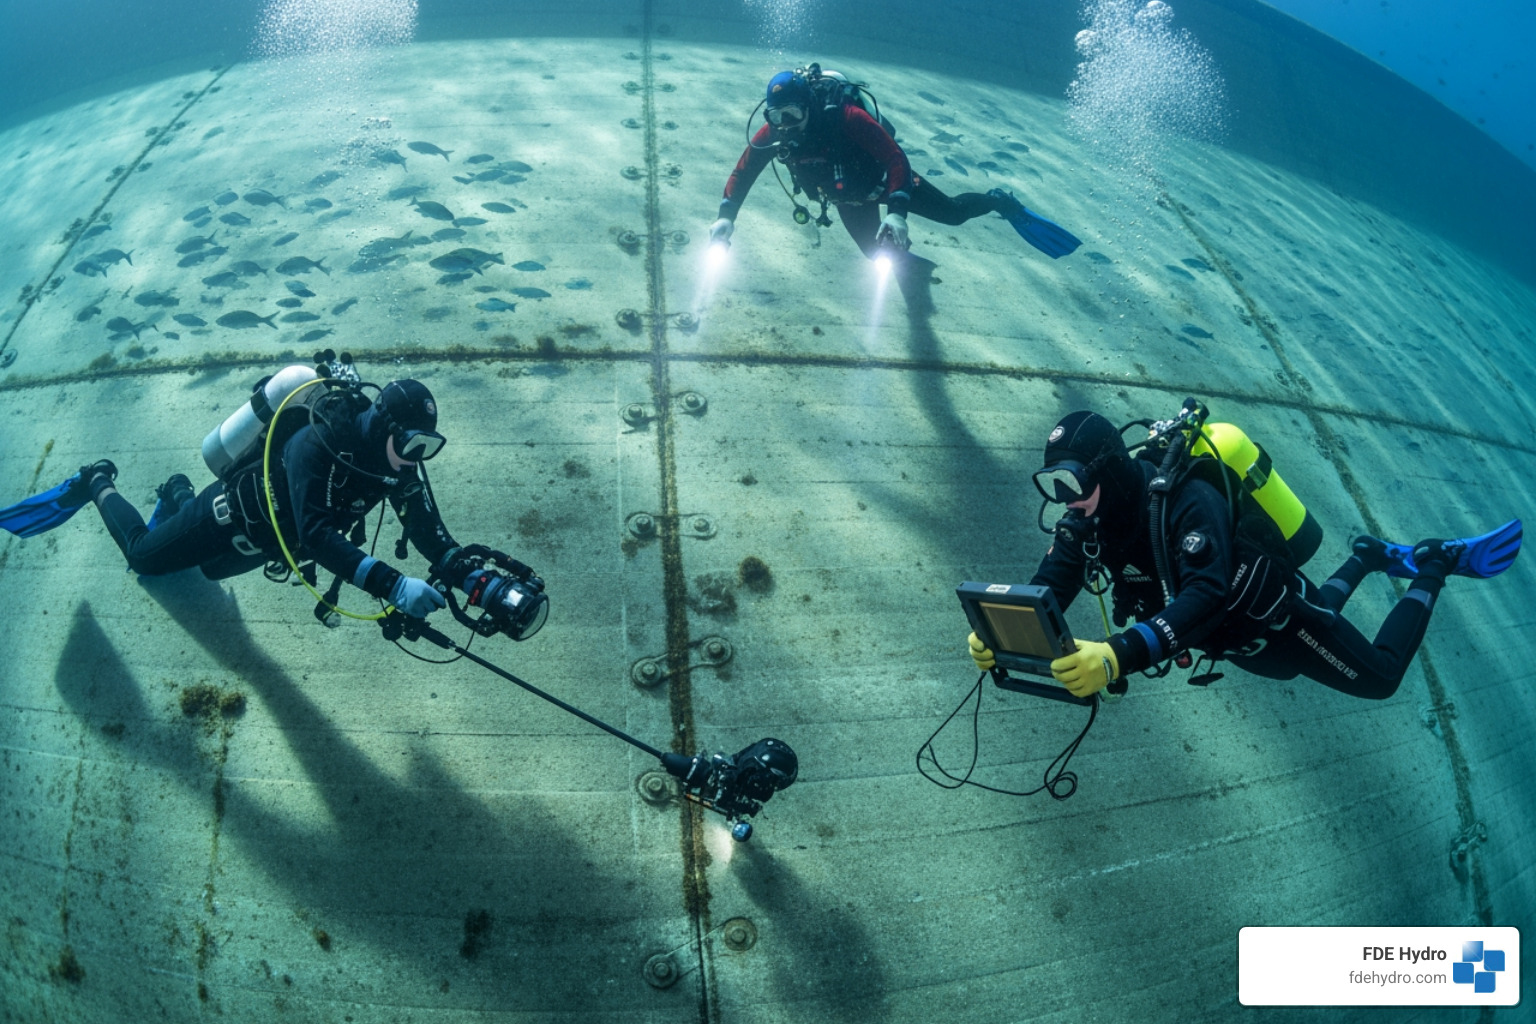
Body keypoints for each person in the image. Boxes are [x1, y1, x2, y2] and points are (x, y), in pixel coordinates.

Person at [967, 409, 1522, 699]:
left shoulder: (1185, 500)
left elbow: (1207, 592)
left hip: (1280, 618)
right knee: (1295, 661)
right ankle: (1367, 555)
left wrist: (1117, 655)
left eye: (1070, 482)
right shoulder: (1091, 517)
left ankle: (1433, 564)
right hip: (1240, 639)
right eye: (1051, 485)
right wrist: (1007, 630)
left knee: (1378, 678)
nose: (1063, 501)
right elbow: (1053, 582)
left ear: (1108, 471)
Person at [2, 375, 510, 621]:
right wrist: (394, 587)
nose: (415, 458)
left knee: (207, 573)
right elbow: (315, 533)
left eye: (428, 448)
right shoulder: (319, 442)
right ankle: (97, 480)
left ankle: (175, 490)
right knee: (145, 558)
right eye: (412, 443)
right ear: (386, 427)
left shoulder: (391, 460)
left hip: (266, 544)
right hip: (226, 517)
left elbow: (427, 531)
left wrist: (471, 577)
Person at [708, 65, 1080, 265]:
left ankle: (999, 200)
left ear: (809, 106)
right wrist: (727, 216)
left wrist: (898, 212)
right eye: (776, 116)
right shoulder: (774, 134)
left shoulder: (847, 118)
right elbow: (743, 172)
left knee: (952, 215)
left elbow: (894, 157)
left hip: (887, 182)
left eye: (791, 113)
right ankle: (909, 259)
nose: (784, 124)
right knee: (876, 256)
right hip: (849, 200)